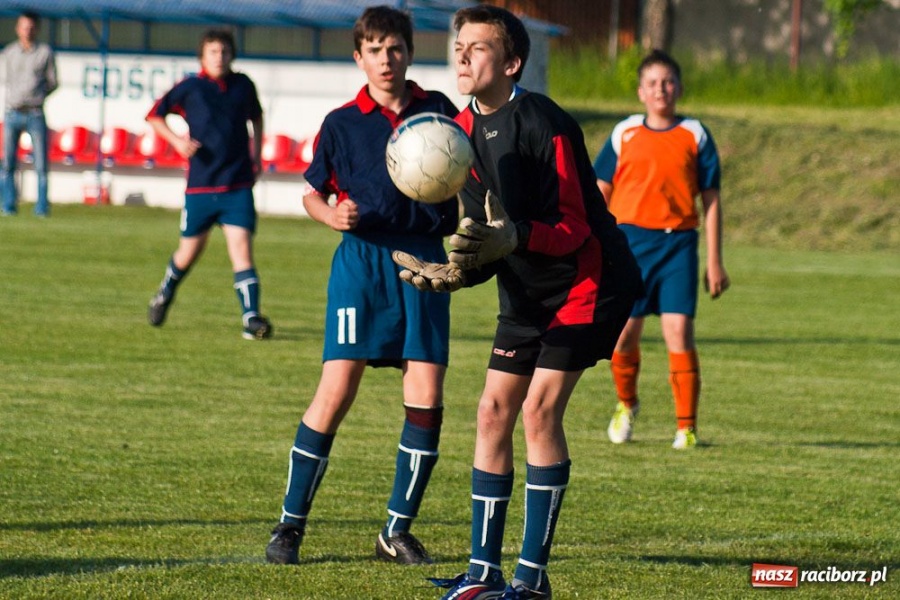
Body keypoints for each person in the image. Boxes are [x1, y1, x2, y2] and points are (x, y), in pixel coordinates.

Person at [393, 6, 643, 598]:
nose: (462, 54)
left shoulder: (542, 120)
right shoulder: (458, 135)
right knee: (490, 412)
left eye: (477, 47)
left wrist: (514, 238)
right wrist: (460, 270)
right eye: (459, 45)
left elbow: (577, 225)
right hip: (527, 291)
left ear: (510, 63)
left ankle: (531, 580)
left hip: (589, 281)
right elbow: (489, 236)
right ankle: (484, 573)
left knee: (537, 411)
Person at [264, 6, 459, 567]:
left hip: (423, 262)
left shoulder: (439, 113)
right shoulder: (343, 121)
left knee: (426, 396)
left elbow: (469, 176)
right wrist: (330, 216)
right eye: (375, 49)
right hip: (362, 262)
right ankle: (290, 525)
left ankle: (396, 531)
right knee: (336, 389)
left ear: (409, 53)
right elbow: (310, 191)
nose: (386, 58)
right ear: (360, 58)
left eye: (395, 47)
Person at [593, 49, 730, 450]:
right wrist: (595, 246)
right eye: (652, 83)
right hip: (629, 245)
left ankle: (686, 429)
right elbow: (599, 193)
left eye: (668, 82)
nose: (661, 89)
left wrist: (716, 261)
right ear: (640, 91)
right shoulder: (624, 133)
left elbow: (713, 201)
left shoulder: (696, 134)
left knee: (679, 332)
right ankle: (626, 404)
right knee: (623, 337)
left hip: (678, 245)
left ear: (680, 88)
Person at [145, 29, 272, 340]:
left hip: (237, 184)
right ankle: (165, 292)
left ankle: (251, 318)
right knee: (187, 254)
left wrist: (256, 156)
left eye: (225, 51)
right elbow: (154, 116)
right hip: (201, 187)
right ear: (202, 57)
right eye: (213, 52)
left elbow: (257, 117)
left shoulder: (243, 85)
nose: (220, 57)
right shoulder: (191, 87)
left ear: (232, 56)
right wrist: (177, 141)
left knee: (242, 252)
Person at [1, 11, 57, 217]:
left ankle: (41, 208)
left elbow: (53, 82)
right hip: (12, 112)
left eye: (31, 27)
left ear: (37, 29)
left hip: (35, 113)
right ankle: (8, 205)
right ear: (17, 28)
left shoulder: (44, 52)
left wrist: (37, 95)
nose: (27, 30)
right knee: (8, 163)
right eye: (24, 26)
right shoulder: (9, 53)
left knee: (41, 164)